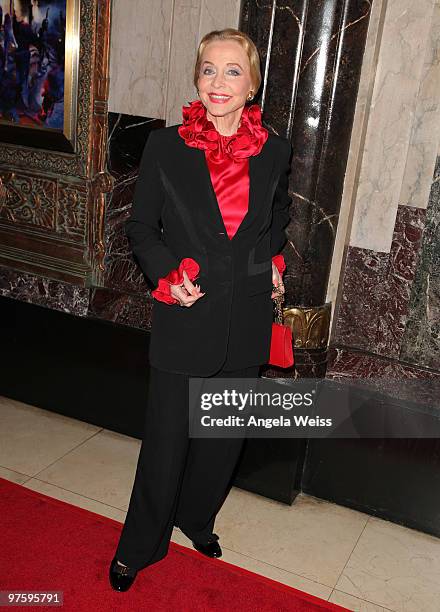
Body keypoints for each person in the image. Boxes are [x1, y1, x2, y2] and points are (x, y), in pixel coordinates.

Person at [109, 28, 292, 592]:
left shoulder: (276, 151)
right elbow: (142, 227)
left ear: (252, 84)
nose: (218, 82)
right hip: (185, 314)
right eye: (208, 69)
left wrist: (275, 267)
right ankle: (139, 547)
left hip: (246, 319)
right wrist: (168, 275)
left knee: (222, 441)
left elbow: (275, 224)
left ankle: (198, 519)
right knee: (166, 445)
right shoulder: (166, 146)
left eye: (232, 71)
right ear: (196, 76)